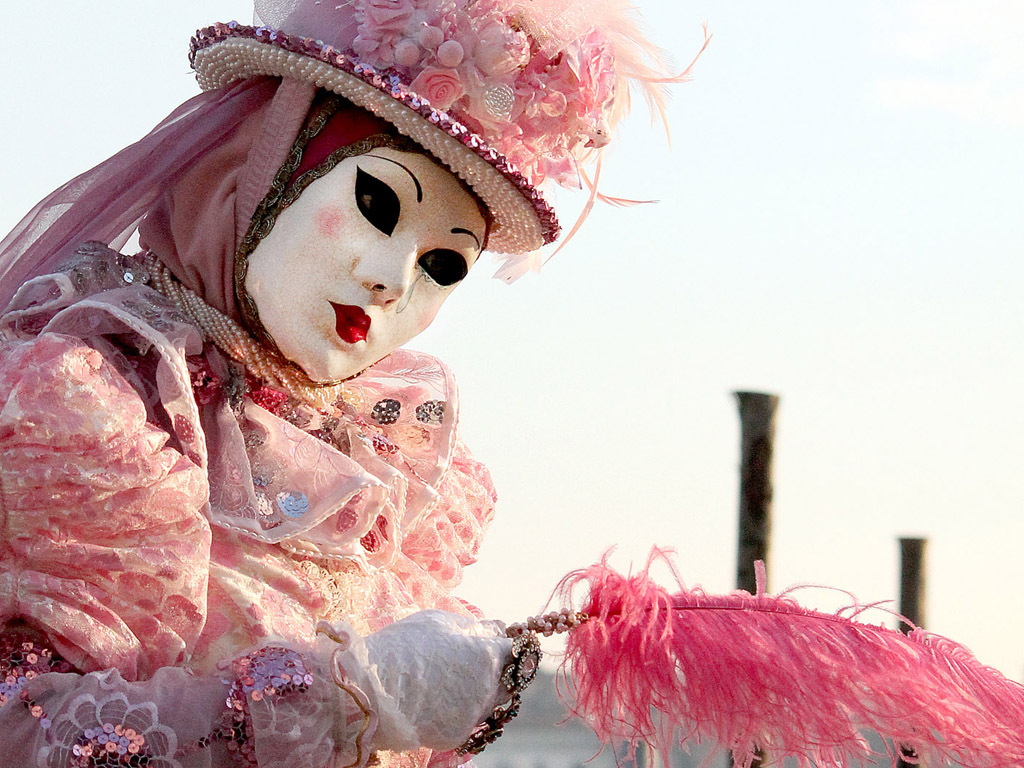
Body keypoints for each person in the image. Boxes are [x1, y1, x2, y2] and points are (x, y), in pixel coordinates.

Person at [0, 1, 683, 767]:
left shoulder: (389, 472)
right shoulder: (93, 410)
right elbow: (20, 731)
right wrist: (338, 703)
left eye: (443, 265)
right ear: (260, 169)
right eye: (377, 205)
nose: (391, 279)